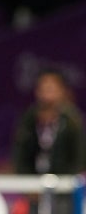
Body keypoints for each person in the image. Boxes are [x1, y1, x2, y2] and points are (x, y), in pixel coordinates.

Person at [12, 69, 85, 213]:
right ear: (37, 91)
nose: (47, 94)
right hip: (34, 190)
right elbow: (19, 155)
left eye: (52, 89)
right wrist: (28, 184)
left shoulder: (72, 121)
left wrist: (65, 183)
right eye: (44, 89)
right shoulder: (29, 119)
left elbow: (79, 157)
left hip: (64, 190)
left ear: (62, 91)